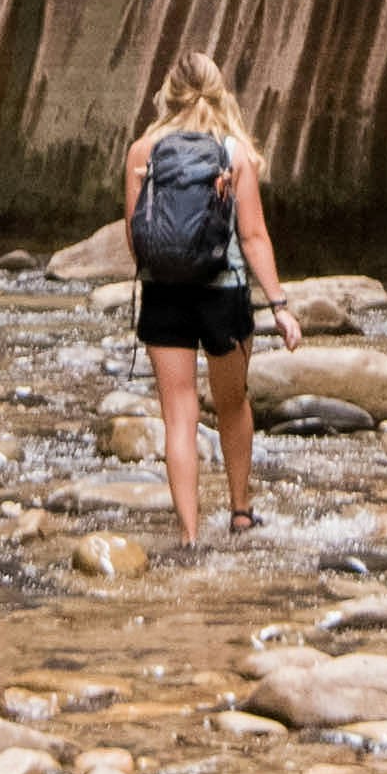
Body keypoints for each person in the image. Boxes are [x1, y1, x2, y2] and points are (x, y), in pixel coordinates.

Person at [120, 57, 301, 545]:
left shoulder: (143, 151)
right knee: (232, 404)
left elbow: (136, 238)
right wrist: (280, 304)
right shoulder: (234, 153)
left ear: (168, 93)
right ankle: (241, 513)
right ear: (220, 93)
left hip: (164, 293)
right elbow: (255, 235)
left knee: (178, 415)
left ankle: (188, 534)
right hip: (224, 293)